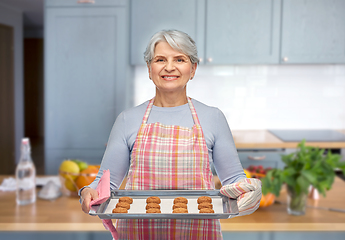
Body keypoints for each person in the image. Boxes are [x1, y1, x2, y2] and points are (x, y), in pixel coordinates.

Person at [80, 29, 261, 239]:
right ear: (149, 68)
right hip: (138, 233)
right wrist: (86, 192)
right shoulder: (127, 120)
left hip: (199, 233)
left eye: (179, 59)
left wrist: (250, 189)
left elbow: (234, 180)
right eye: (160, 59)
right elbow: (105, 184)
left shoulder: (213, 118)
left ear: (192, 69)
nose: (169, 67)